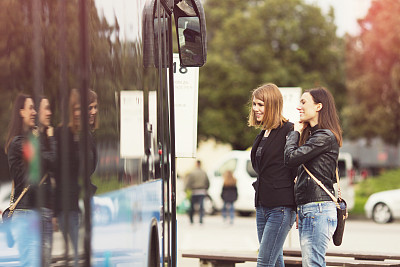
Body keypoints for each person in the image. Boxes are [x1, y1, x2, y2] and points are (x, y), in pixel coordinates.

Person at [284, 87, 342, 267]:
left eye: (303, 102)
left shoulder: (324, 136)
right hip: (312, 209)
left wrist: (295, 132)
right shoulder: (316, 136)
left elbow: (290, 158)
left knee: (313, 264)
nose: (298, 107)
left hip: (318, 209)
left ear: (318, 107)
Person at [248, 83, 296, 267]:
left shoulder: (289, 130)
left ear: (273, 105)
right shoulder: (263, 133)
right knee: (275, 261)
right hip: (262, 205)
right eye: (254, 104)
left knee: (264, 261)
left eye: (261, 105)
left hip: (281, 207)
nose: (256, 109)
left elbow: (296, 169)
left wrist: (298, 206)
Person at [54, 89, 98, 266]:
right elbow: (58, 172)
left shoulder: (86, 135)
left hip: (82, 204)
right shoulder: (64, 133)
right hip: (69, 206)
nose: (94, 111)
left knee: (83, 256)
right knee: (77, 256)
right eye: (89, 107)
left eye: (95, 107)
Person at [5, 94, 40, 267]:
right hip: (25, 213)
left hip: (30, 212)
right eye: (30, 108)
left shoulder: (24, 142)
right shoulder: (19, 143)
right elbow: (35, 170)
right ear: (21, 112)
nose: (34, 112)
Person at [37, 96, 57, 267]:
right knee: (44, 258)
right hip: (40, 208)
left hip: (48, 207)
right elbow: (53, 161)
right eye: (46, 108)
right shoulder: (36, 138)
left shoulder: (44, 135)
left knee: (46, 257)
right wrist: (51, 139)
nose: (49, 113)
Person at [184, 160, 210, 224]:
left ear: (196, 164)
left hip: (194, 191)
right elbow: (208, 182)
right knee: (201, 206)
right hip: (202, 191)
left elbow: (189, 182)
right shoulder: (204, 172)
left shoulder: (192, 173)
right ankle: (201, 219)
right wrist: (206, 188)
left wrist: (186, 189)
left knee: (192, 206)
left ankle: (191, 219)